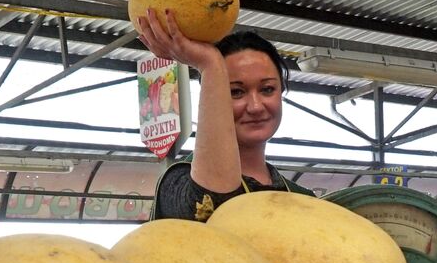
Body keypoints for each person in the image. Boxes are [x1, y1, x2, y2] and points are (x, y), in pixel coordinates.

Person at [134, 13, 313, 222]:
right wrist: (210, 65)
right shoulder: (178, 182)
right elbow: (213, 201)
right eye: (236, 92)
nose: (255, 107)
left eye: (267, 89)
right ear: (212, 95)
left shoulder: (304, 199)